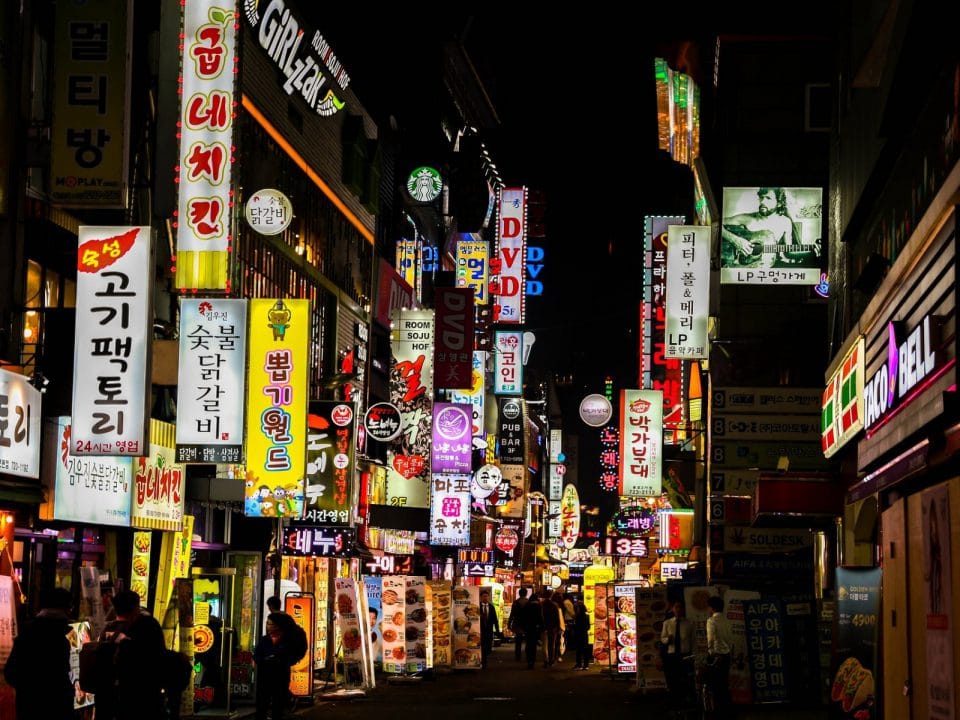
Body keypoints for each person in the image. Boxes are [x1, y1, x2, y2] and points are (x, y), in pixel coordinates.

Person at [4, 586, 74, 720]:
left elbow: (10, 673)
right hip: (55, 710)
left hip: (28, 708)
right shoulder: (60, 640)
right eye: (69, 608)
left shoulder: (25, 635)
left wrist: (27, 690)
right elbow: (60, 682)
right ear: (64, 610)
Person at [98, 589, 167, 720]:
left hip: (109, 696)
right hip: (144, 694)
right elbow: (158, 656)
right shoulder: (148, 625)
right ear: (136, 607)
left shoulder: (107, 629)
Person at [721, 186, 803, 268]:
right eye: (761, 197)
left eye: (768, 198)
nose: (762, 202)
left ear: (779, 203)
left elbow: (789, 251)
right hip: (741, 266)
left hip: (766, 267)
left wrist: (811, 250)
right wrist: (735, 240)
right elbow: (716, 224)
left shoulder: (786, 222)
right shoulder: (746, 218)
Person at [254, 612, 298, 720]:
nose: (268, 626)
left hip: (280, 677)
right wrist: (265, 660)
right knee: (262, 705)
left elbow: (292, 657)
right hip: (265, 677)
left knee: (278, 706)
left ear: (278, 626)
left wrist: (280, 659)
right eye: (267, 624)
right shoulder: (264, 640)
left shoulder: (287, 640)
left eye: (271, 624)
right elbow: (256, 656)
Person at [660, 599, 695, 708]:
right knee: (673, 680)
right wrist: (667, 640)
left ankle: (686, 701)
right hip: (672, 655)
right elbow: (662, 638)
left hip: (685, 655)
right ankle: (675, 701)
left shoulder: (690, 623)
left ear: (684, 609)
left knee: (685, 679)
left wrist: (694, 655)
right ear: (672, 609)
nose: (678, 609)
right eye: (676, 607)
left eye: (680, 607)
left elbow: (693, 640)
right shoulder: (667, 623)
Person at [706, 595, 734, 718]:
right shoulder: (728, 620)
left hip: (716, 656)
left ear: (711, 608)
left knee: (716, 685)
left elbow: (710, 639)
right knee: (724, 684)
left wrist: (710, 652)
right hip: (727, 655)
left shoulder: (711, 621)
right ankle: (727, 711)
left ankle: (718, 712)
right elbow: (730, 639)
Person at [520, 591, 544, 669]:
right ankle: (532, 661)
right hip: (535, 628)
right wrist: (541, 627)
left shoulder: (527, 606)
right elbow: (540, 618)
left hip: (527, 628)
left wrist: (523, 627)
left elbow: (523, 617)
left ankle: (529, 659)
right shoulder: (538, 606)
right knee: (533, 645)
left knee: (528, 644)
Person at [507, 587, 529, 661]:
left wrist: (509, 624)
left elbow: (512, 614)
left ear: (519, 594)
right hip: (527, 624)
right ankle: (528, 656)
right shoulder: (528, 602)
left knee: (518, 641)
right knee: (528, 641)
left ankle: (518, 656)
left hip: (517, 623)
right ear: (526, 594)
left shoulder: (516, 602)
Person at [540, 590, 561, 667]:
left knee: (544, 645)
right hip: (552, 627)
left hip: (544, 626)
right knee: (551, 644)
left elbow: (540, 616)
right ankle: (551, 661)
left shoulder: (541, 605)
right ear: (551, 595)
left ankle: (545, 660)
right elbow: (557, 618)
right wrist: (558, 627)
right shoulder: (554, 605)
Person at [478, 590, 499, 668]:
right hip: (480, 630)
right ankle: (483, 662)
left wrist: (497, 630)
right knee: (482, 647)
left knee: (487, 647)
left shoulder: (491, 607)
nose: (485, 598)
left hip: (489, 630)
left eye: (486, 596)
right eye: (484, 596)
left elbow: (495, 619)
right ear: (481, 597)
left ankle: (484, 659)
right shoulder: (478, 607)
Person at [571, 600, 591, 670]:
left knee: (578, 650)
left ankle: (579, 664)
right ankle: (586, 665)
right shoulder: (587, 616)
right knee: (585, 650)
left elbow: (576, 627)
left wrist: (573, 627)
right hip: (585, 635)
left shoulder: (577, 617)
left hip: (578, 635)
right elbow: (588, 627)